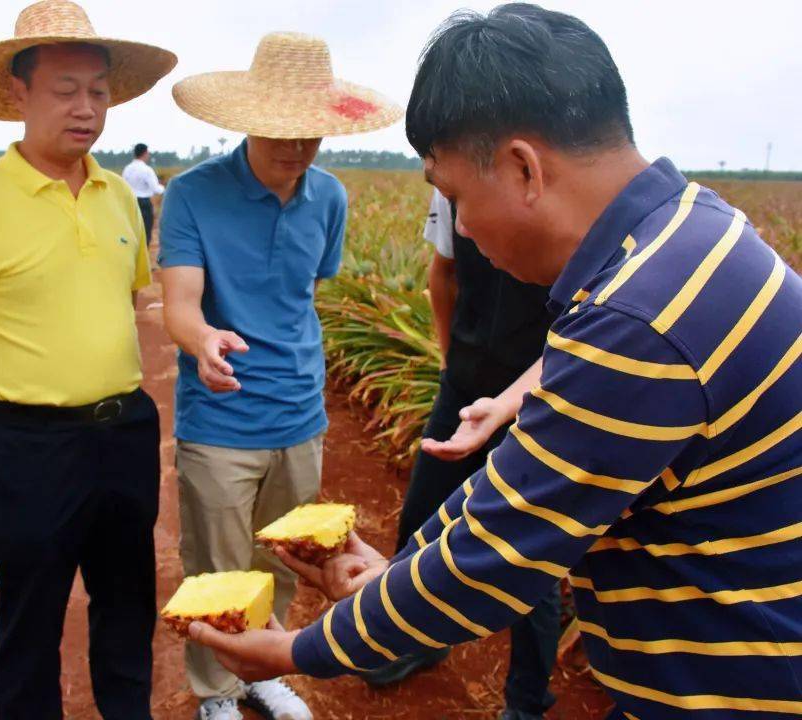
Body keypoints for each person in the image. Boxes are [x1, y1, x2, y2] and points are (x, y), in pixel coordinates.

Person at [185, 5, 802, 720]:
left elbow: (504, 551)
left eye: (456, 198)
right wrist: (402, 575)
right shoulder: (695, 228)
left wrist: (302, 651)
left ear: (522, 168)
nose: (464, 229)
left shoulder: (633, 323)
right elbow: (518, 497)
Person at [0, 2, 176, 718]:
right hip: (29, 446)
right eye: (64, 90)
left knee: (127, 605)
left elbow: (127, 302)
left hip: (125, 433)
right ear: (18, 93)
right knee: (30, 617)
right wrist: (7, 389)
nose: (85, 108)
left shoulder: (119, 197)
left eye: (99, 91)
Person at [160, 31, 401, 720]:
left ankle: (262, 671)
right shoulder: (194, 197)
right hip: (222, 417)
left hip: (299, 413)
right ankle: (216, 693)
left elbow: (307, 290)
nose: (297, 150)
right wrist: (203, 339)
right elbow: (179, 305)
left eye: (311, 136)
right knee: (218, 568)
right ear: (246, 121)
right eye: (281, 134)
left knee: (282, 560)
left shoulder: (328, 199)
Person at [361, 187, 561, 720]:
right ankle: (419, 639)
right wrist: (452, 363)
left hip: (535, 400)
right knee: (420, 518)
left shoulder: (563, 190)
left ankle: (526, 700)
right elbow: (442, 273)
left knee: (528, 555)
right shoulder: (452, 185)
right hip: (466, 385)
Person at [124, 141, 164, 245]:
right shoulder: (146, 170)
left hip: (129, 203)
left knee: (132, 233)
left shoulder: (127, 169)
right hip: (144, 204)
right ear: (145, 153)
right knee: (145, 234)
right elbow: (156, 189)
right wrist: (164, 188)